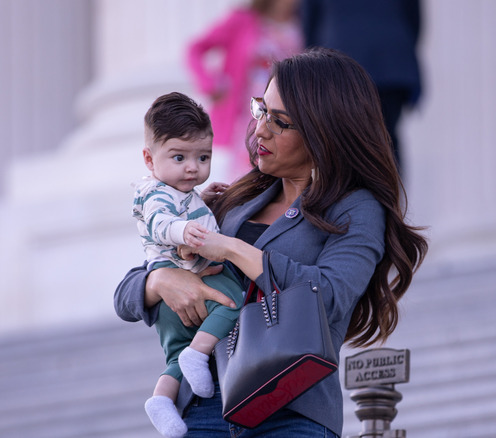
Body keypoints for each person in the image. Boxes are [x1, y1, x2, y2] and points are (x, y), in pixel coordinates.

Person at [115, 48, 428, 437]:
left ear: (324, 131)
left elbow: (328, 296)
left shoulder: (355, 209)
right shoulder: (234, 200)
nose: (260, 129)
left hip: (290, 411)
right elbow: (126, 294)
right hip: (202, 408)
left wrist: (232, 249)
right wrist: (159, 283)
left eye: (279, 122)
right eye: (261, 109)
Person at [133, 92, 244, 438]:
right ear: (150, 160)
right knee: (233, 300)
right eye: (179, 157)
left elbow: (181, 209)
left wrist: (204, 202)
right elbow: (160, 224)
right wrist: (188, 233)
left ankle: (162, 399)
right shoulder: (155, 194)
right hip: (184, 282)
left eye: (203, 157)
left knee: (175, 357)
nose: (192, 167)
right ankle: (200, 354)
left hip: (172, 301)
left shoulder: (181, 193)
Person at [301, 0, 423, 177]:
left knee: (342, 142)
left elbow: (310, 22)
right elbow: (413, 19)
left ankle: (353, 202)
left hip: (341, 58)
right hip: (390, 64)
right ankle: (389, 202)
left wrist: (312, 66)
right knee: (386, 140)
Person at [186, 0, 303, 181]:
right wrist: (210, 84)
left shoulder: (306, 22)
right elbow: (195, 48)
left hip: (288, 112)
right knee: (248, 167)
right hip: (249, 111)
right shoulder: (243, 20)